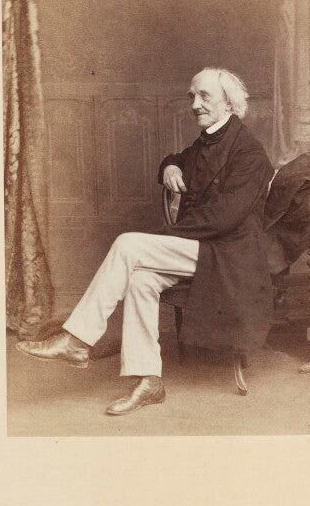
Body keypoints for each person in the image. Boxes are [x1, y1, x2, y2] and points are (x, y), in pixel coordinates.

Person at [16, 67, 274, 415]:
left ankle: (76, 340)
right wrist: (170, 167)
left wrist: (163, 237)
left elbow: (223, 219)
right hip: (204, 248)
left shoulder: (249, 153)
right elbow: (178, 158)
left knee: (128, 244)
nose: (195, 104)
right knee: (141, 279)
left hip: (232, 255)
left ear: (228, 102)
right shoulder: (208, 141)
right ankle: (148, 381)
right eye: (192, 96)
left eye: (204, 96)